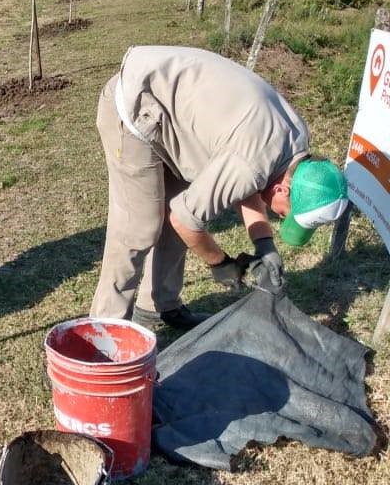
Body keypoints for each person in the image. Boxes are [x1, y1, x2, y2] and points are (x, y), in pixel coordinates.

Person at [91, 45, 349, 330]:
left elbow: (250, 181)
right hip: (136, 103)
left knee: (183, 204)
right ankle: (103, 330)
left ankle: (158, 308)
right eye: (285, 215)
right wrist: (220, 263)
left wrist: (265, 245)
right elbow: (186, 220)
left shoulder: (295, 141)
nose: (282, 219)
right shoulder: (252, 162)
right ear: (283, 190)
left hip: (173, 115)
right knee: (139, 227)